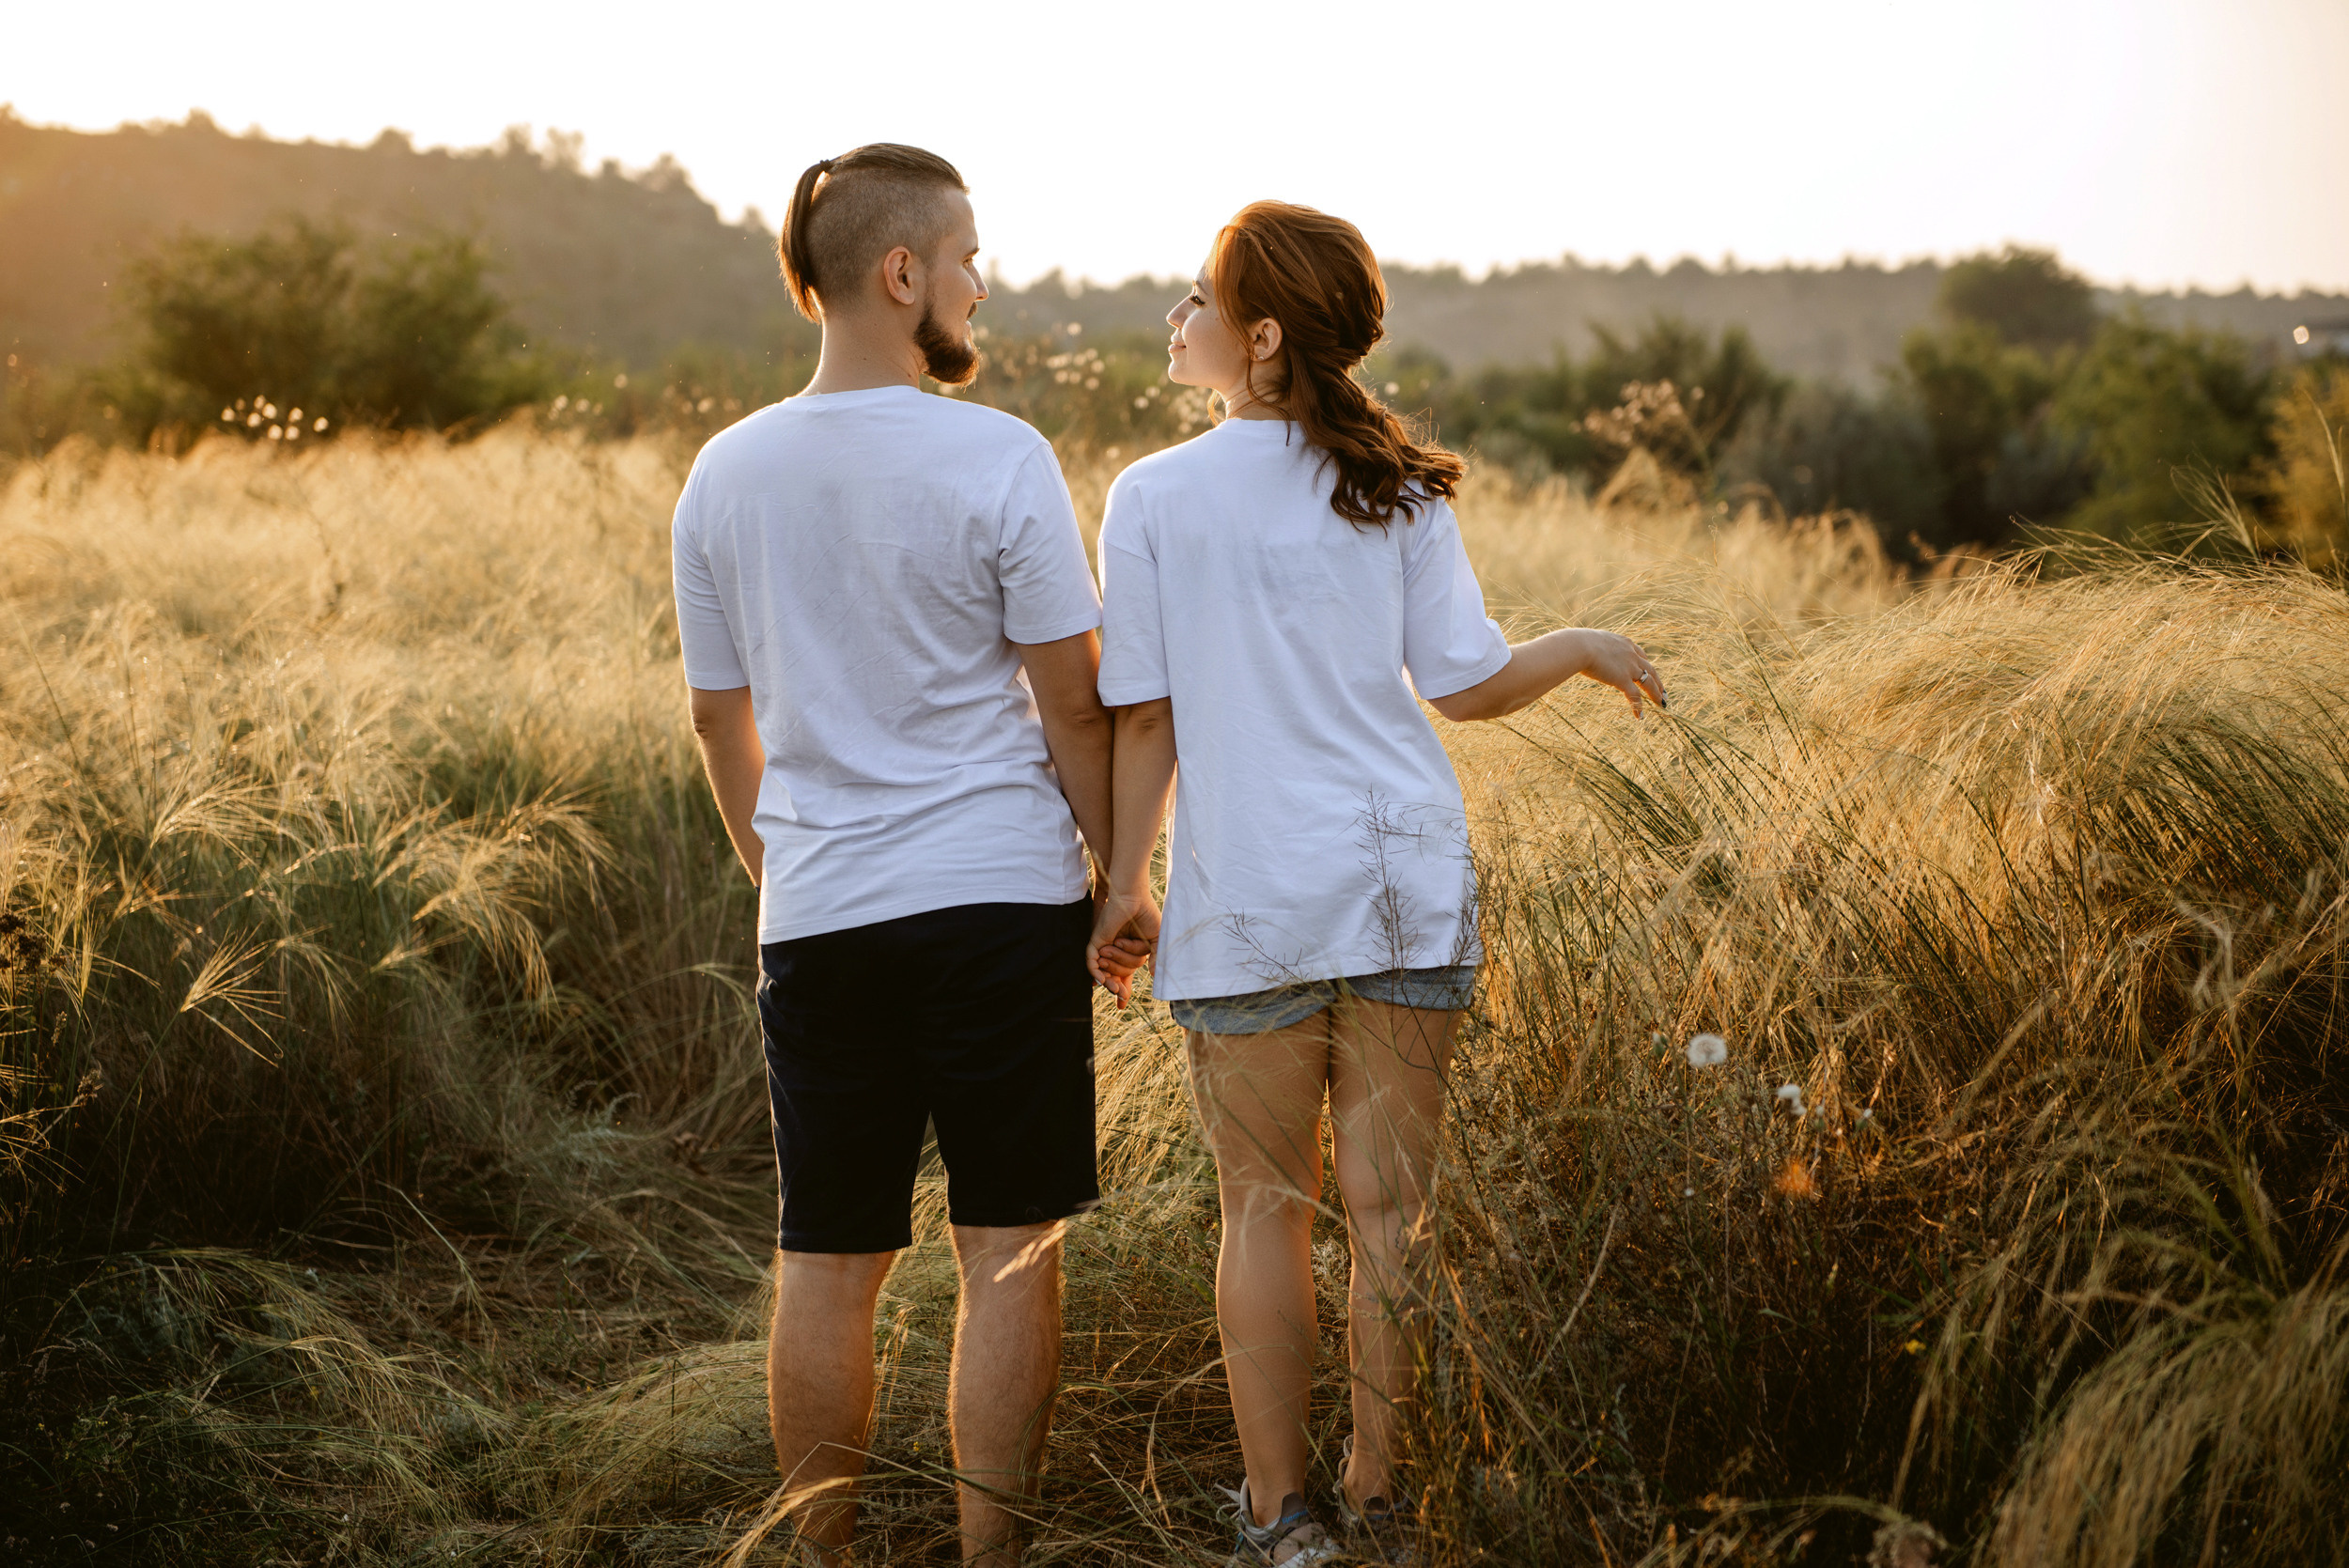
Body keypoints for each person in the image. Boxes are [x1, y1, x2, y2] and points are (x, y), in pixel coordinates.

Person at [1085, 202, 1667, 1566]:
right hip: (1404, 877)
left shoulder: (1155, 496)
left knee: (1262, 1214)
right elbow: (1462, 687)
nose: (1178, 315)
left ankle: (1286, 1523)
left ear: (1263, 335)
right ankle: (1387, 1500)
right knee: (1396, 1217)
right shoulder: (1393, 487)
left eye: (1198, 296)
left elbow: (1145, 720)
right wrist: (1575, 642)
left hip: (1250, 902)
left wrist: (1124, 882)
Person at [672, 143, 1114, 1568]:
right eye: (969, 257)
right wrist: (1121, 875)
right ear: (901, 272)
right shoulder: (997, 455)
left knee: (829, 1258)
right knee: (1010, 1245)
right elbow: (1071, 695)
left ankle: (828, 1560)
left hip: (820, 917)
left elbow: (717, 716)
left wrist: (779, 872)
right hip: (1000, 906)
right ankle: (994, 1559)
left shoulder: (722, 474)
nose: (983, 284)